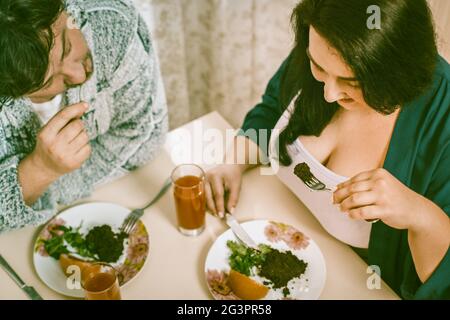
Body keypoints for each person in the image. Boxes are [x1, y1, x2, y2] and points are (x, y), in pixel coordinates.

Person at [205, 0, 450, 299]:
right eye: (318, 67)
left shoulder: (442, 119)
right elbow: (272, 110)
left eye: (351, 81)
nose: (329, 93)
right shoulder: (324, 41)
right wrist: (232, 163)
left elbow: (443, 281)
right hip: (267, 232)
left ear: (394, 71)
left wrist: (416, 212)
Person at [0, 0, 168, 233]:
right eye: (48, 82)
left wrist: (36, 187)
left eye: (68, 46)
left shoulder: (115, 23)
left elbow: (149, 137)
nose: (80, 76)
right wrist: (41, 169)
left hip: (131, 195)